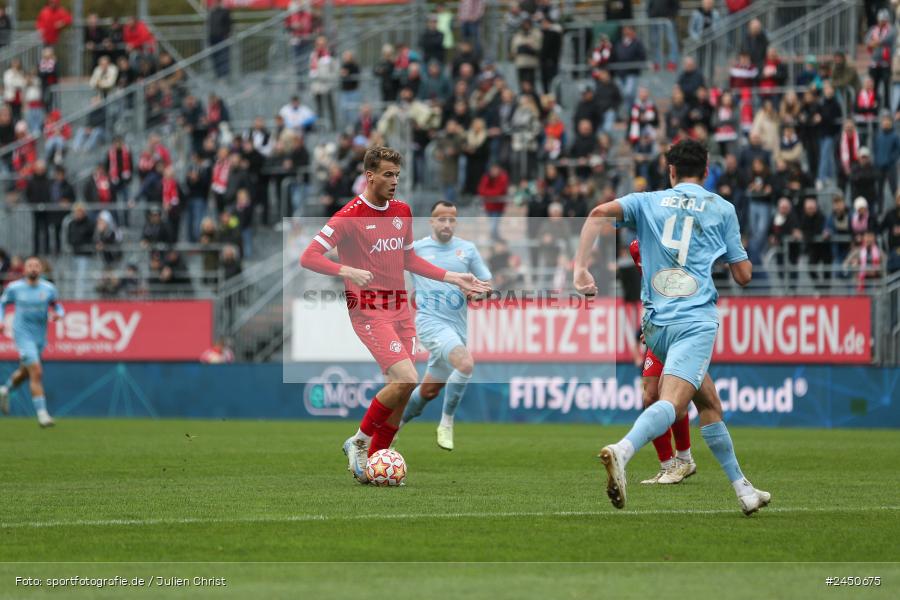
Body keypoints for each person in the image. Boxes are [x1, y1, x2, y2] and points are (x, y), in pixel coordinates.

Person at [573, 139, 770, 515]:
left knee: (709, 402)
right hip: (694, 322)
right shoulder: (722, 208)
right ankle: (623, 450)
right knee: (671, 402)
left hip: (656, 326)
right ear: (707, 170)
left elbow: (598, 212)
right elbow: (743, 275)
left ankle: (743, 489)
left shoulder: (647, 201)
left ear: (671, 171)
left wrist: (580, 268)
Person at [299, 146, 490, 483]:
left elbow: (408, 260)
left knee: (399, 389)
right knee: (407, 380)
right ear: (369, 176)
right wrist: (345, 269)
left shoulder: (402, 210)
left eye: (397, 175)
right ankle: (358, 441)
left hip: (401, 310)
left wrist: (454, 276)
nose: (394, 181)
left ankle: (375, 461)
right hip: (369, 311)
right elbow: (309, 256)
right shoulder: (349, 216)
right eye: (388, 175)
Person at [399, 201, 492, 450]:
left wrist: (479, 293)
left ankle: (391, 428)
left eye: (452, 219)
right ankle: (447, 423)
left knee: (428, 392)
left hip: (457, 329)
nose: (447, 224)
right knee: (465, 363)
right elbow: (389, 269)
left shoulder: (467, 250)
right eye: (441, 219)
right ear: (431, 221)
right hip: (430, 324)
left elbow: (486, 283)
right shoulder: (416, 249)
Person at [629, 239, 695, 485]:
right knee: (649, 396)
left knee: (678, 398)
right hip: (658, 328)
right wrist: (650, 323)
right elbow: (652, 290)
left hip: (683, 327)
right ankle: (668, 465)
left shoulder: (676, 244)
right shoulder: (636, 247)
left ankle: (685, 459)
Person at [0, 257, 64, 427]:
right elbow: (2, 303)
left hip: (39, 336)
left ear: (41, 269)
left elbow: (57, 306)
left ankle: (5, 390)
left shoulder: (48, 289)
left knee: (26, 372)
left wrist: (59, 314)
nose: (33, 268)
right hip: (22, 335)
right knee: (36, 371)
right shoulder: (14, 288)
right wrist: (1, 320)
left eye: (36, 266)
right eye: (30, 266)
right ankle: (43, 415)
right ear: (24, 269)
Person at [208, 0, 232, 79]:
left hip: (222, 37)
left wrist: (226, 35)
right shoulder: (212, 12)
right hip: (213, 37)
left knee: (223, 57)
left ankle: (224, 76)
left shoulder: (225, 12)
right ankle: (217, 75)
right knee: (215, 57)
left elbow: (228, 24)